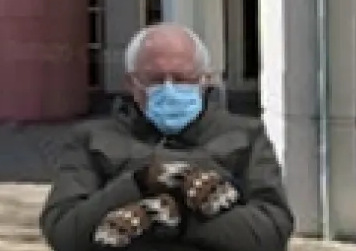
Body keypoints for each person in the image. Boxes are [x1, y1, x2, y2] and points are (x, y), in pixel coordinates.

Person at [39, 23, 294, 251]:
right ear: (131, 83)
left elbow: (270, 235)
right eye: (155, 80)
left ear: (204, 81)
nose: (169, 88)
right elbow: (65, 235)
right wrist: (139, 183)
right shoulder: (91, 139)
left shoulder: (245, 136)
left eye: (182, 79)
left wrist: (173, 218)